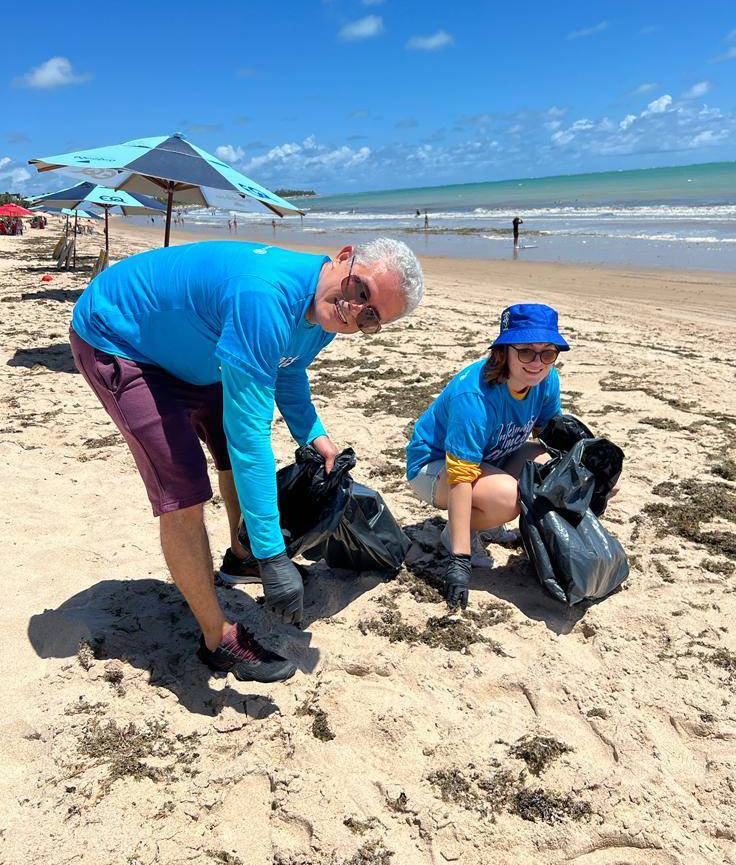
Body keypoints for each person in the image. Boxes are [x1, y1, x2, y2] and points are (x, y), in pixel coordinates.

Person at [70, 238, 424, 683]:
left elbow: (288, 366)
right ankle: (217, 638)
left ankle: (241, 557)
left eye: (371, 315)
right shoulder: (264, 295)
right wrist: (275, 554)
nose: (355, 309)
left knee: (230, 457)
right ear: (344, 256)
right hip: (121, 339)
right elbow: (250, 437)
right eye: (360, 289)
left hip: (195, 350)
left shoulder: (325, 312)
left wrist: (314, 435)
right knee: (184, 492)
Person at [405, 304, 568, 611]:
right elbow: (461, 477)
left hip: (491, 459)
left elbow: (552, 434)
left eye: (547, 353)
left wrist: (594, 474)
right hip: (434, 466)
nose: (537, 363)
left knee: (547, 463)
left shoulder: (546, 381)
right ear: (504, 350)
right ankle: (458, 530)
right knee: (509, 499)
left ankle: (483, 520)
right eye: (526, 352)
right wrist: (460, 560)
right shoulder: (475, 396)